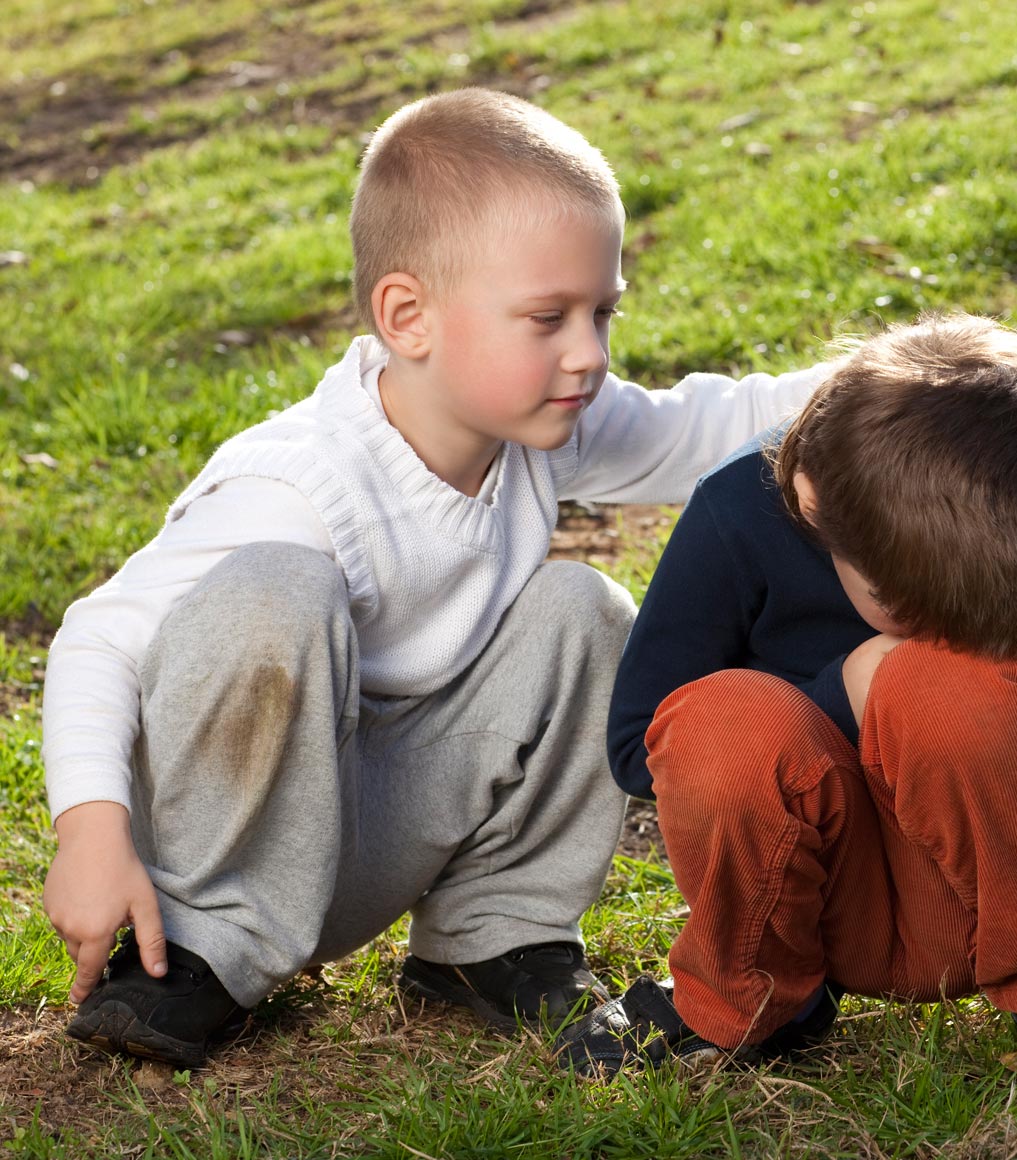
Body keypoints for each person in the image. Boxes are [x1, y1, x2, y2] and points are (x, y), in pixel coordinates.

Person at [39, 87, 830, 1069]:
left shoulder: (540, 422)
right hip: (220, 851)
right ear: (408, 316)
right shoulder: (296, 481)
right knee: (274, 590)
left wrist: (895, 375)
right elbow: (98, 639)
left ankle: (489, 936)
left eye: (602, 313)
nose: (588, 353)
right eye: (548, 317)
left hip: (362, 837)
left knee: (584, 608)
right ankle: (196, 954)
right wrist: (90, 833)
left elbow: (699, 429)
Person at [558, 313, 1017, 1088]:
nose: (938, 632)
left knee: (941, 684)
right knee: (724, 716)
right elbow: (637, 743)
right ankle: (748, 998)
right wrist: (843, 694)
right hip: (801, 905)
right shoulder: (735, 512)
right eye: (911, 608)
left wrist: (1014, 702)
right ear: (813, 501)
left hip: (982, 899)